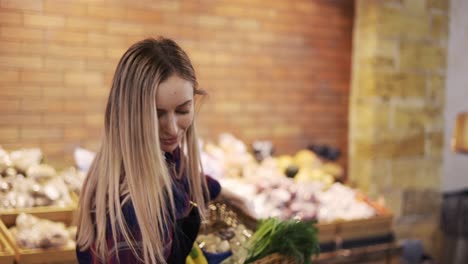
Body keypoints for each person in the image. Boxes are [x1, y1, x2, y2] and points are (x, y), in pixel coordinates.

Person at [76, 37, 243, 264]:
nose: (172, 129)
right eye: (157, 115)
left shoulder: (161, 154)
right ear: (129, 114)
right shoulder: (133, 211)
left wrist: (221, 191)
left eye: (183, 110)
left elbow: (184, 176)